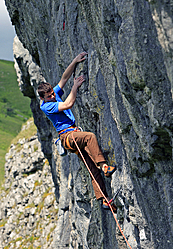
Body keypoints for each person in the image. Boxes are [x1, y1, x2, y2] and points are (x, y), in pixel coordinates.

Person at [37, 52, 116, 212]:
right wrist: (75, 87)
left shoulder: (53, 95)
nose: (53, 95)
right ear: (43, 97)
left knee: (92, 168)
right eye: (50, 95)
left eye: (52, 92)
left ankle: (103, 200)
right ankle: (105, 166)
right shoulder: (47, 106)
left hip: (72, 136)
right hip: (68, 137)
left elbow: (64, 79)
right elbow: (67, 105)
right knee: (89, 137)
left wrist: (74, 61)